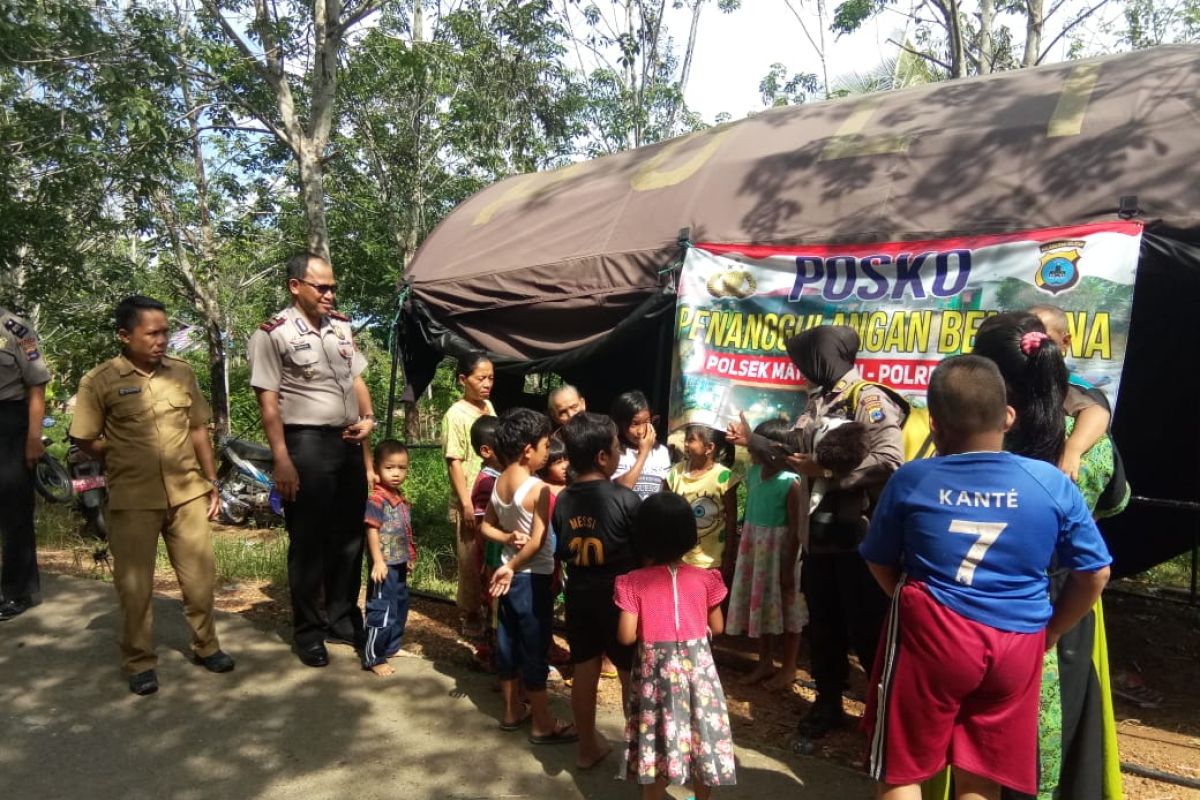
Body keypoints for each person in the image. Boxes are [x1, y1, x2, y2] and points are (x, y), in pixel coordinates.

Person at [860, 355, 1112, 800]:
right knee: (981, 773)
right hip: (1017, 642)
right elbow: (1095, 572)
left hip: (932, 636)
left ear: (934, 424)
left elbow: (879, 559)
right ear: (1009, 416)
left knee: (901, 770)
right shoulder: (1050, 483)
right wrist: (1051, 631)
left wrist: (908, 603)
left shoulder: (912, 478)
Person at [972, 312, 1128, 800]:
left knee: (978, 740)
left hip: (975, 609)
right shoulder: (1090, 446)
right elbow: (1116, 501)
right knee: (1055, 729)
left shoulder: (965, 438)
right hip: (1063, 604)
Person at [731, 325, 903, 737]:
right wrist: (754, 440)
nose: (801, 366)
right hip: (820, 540)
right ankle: (827, 705)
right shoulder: (819, 400)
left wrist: (827, 471)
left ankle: (884, 717)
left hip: (857, 539)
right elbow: (796, 447)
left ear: (826, 355)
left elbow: (891, 458)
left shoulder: (868, 398)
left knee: (864, 629)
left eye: (807, 357)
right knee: (823, 626)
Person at [70, 295, 234, 695]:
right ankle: (139, 661)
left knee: (199, 580)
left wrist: (211, 481)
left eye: (165, 332)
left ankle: (206, 645)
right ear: (125, 336)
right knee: (135, 586)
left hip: (186, 494)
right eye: (153, 333)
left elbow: (198, 429)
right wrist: (122, 456)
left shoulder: (181, 373)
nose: (162, 340)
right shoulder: (100, 381)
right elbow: (85, 438)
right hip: (132, 496)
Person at [248, 252, 376, 668]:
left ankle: (342, 617)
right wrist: (282, 460)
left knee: (349, 537)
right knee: (308, 541)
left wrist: (369, 423)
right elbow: (268, 404)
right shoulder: (272, 334)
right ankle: (309, 630)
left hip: (348, 441)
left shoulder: (341, 325)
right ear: (295, 286)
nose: (329, 293)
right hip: (305, 444)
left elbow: (354, 378)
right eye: (321, 286)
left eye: (333, 286)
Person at [615, 491, 737, 799]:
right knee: (702, 734)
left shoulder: (633, 581)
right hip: (699, 676)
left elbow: (626, 637)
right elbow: (718, 627)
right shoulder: (706, 579)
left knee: (657, 741)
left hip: (656, 681)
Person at [553, 411, 642, 769]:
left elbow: (561, 548)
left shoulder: (562, 499)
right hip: (622, 600)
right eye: (618, 447)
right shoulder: (625, 498)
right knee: (629, 674)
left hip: (579, 595)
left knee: (585, 669)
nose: (621, 452)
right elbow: (643, 550)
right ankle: (638, 753)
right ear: (603, 457)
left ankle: (586, 748)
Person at [481, 408, 576, 745]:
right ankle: (542, 722)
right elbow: (537, 542)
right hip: (529, 577)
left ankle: (511, 711)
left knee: (507, 642)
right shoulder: (539, 488)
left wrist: (506, 545)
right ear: (528, 450)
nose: (548, 452)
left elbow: (486, 525)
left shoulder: (498, 480)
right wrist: (514, 565)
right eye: (545, 446)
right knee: (534, 648)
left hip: (507, 577)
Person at [725, 418, 807, 690]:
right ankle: (764, 663)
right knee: (761, 607)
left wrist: (787, 565)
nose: (752, 451)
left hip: (780, 554)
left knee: (787, 608)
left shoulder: (791, 482)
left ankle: (789, 667)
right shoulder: (754, 474)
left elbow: (796, 528)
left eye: (757, 447)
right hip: (756, 552)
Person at [0, 304, 50, 621]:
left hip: (9, 424)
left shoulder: (15, 329)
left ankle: (16, 591)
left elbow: (36, 384)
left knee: (15, 510)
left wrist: (34, 438)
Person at [443, 351, 496, 639]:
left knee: (488, 557)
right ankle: (470, 613)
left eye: (491, 378)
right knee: (469, 560)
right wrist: (465, 503)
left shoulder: (488, 406)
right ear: (464, 379)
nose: (487, 384)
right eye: (481, 378)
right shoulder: (455, 414)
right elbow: (454, 460)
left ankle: (489, 610)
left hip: (491, 497)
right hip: (469, 500)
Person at [1028, 305, 1112, 481]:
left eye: (1044, 339)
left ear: (1064, 342)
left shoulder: (1080, 391)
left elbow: (1098, 411)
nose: (1032, 346)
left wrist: (1072, 449)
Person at [361, 440, 415, 676]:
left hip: (399, 563)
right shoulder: (376, 499)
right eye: (390, 467)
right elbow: (371, 529)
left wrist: (410, 556)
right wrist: (378, 560)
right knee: (381, 609)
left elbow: (404, 529)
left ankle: (392, 646)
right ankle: (374, 656)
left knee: (400, 605)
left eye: (401, 468)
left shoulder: (399, 496)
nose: (396, 473)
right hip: (384, 565)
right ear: (376, 467)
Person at [664, 424, 740, 581]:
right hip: (679, 557)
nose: (685, 444)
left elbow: (732, 517)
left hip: (712, 559)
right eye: (686, 439)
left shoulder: (724, 477)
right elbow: (664, 509)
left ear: (709, 447)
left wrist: (729, 555)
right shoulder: (675, 473)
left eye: (691, 440)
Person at [469, 414, 501, 670]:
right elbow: (483, 527)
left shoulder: (496, 477)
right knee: (492, 606)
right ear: (486, 450)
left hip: (495, 553)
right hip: (490, 555)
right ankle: (488, 653)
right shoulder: (488, 482)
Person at [610, 390, 670, 500]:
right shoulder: (616, 452)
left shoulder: (661, 452)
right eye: (635, 424)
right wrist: (643, 454)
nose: (641, 431)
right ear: (621, 424)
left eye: (646, 422)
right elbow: (623, 489)